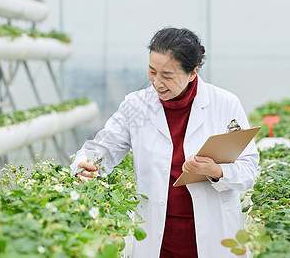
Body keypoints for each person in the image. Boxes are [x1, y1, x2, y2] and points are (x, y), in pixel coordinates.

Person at [71, 27, 259, 258]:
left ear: (193, 73)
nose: (157, 82)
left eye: (167, 75)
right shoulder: (137, 105)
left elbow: (249, 169)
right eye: (152, 71)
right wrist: (86, 164)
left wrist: (215, 171)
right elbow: (103, 148)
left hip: (214, 234)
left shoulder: (224, 104)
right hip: (157, 237)